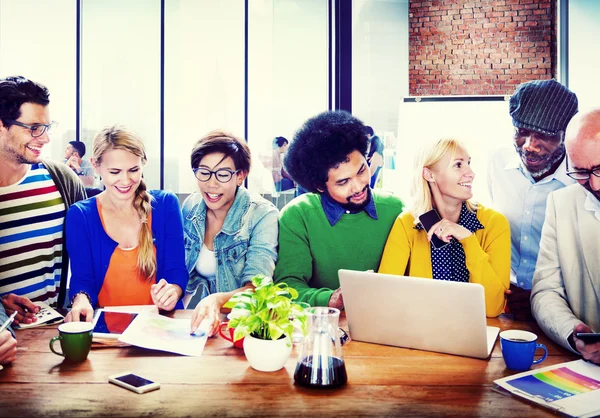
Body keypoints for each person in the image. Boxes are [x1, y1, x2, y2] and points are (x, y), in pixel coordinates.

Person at [274, 111, 404, 309]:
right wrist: (330, 298)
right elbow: (287, 288)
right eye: (343, 182)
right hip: (320, 328)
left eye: (362, 170)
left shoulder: (396, 210)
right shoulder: (298, 216)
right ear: (319, 186)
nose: (359, 186)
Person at [65, 125, 188, 322]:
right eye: (115, 171)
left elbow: (177, 271)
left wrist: (173, 290)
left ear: (143, 164)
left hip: (162, 329)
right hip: (106, 334)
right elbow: (82, 279)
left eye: (133, 170)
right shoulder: (81, 216)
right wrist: (81, 299)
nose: (125, 180)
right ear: (95, 166)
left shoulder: (166, 205)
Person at [379, 138, 510, 317]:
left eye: (469, 163)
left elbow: (493, 308)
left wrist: (468, 240)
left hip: (476, 331)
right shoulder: (407, 223)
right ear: (429, 174)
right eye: (458, 165)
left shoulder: (494, 223)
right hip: (421, 328)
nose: (471, 173)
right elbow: (384, 295)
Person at [487, 79, 578, 320]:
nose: (530, 146)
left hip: (564, 309)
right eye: (523, 132)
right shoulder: (496, 163)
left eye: (544, 136)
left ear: (565, 135)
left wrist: (542, 298)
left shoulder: (583, 181)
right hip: (503, 303)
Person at [0, 76, 86, 326]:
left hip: (51, 333)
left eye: (47, 127)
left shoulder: (62, 180)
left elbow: (87, 250)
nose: (45, 138)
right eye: (34, 128)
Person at [184, 130, 278, 335]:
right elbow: (183, 278)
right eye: (204, 172)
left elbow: (258, 290)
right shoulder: (191, 207)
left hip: (247, 330)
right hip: (207, 329)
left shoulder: (262, 214)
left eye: (223, 174)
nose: (211, 183)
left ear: (240, 176)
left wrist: (217, 300)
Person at [531, 108, 600, 365]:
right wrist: (574, 335)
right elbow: (545, 291)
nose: (594, 186)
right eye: (581, 172)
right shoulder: (561, 204)